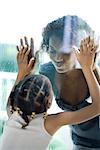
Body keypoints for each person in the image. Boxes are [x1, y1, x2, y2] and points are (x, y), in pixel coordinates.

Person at [1, 36, 100, 150]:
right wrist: (87, 67)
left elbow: (15, 95)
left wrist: (22, 71)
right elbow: (97, 107)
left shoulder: (12, 112)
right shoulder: (49, 123)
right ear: (49, 103)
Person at [39, 15, 100, 149]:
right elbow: (29, 107)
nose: (58, 58)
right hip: (78, 143)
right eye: (52, 50)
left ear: (79, 50)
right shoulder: (47, 72)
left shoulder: (93, 69)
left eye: (65, 52)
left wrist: (89, 68)